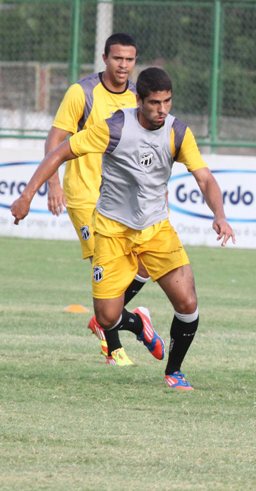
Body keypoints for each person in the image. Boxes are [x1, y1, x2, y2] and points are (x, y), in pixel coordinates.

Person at [11, 67, 236, 390]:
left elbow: (204, 177)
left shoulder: (178, 132)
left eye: (167, 101)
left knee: (187, 303)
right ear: (139, 100)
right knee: (106, 318)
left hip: (156, 230)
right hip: (113, 233)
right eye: (155, 102)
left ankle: (174, 371)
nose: (162, 109)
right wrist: (27, 195)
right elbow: (61, 152)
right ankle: (138, 322)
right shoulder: (114, 128)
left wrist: (220, 214)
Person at [45, 33, 150, 366]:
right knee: (107, 269)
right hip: (85, 196)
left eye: (129, 60)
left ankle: (108, 321)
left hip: (124, 197)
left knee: (146, 262)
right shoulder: (83, 92)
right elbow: (55, 138)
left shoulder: (138, 97)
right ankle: (115, 346)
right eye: (117, 58)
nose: (123, 65)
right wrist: (53, 184)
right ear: (105, 58)